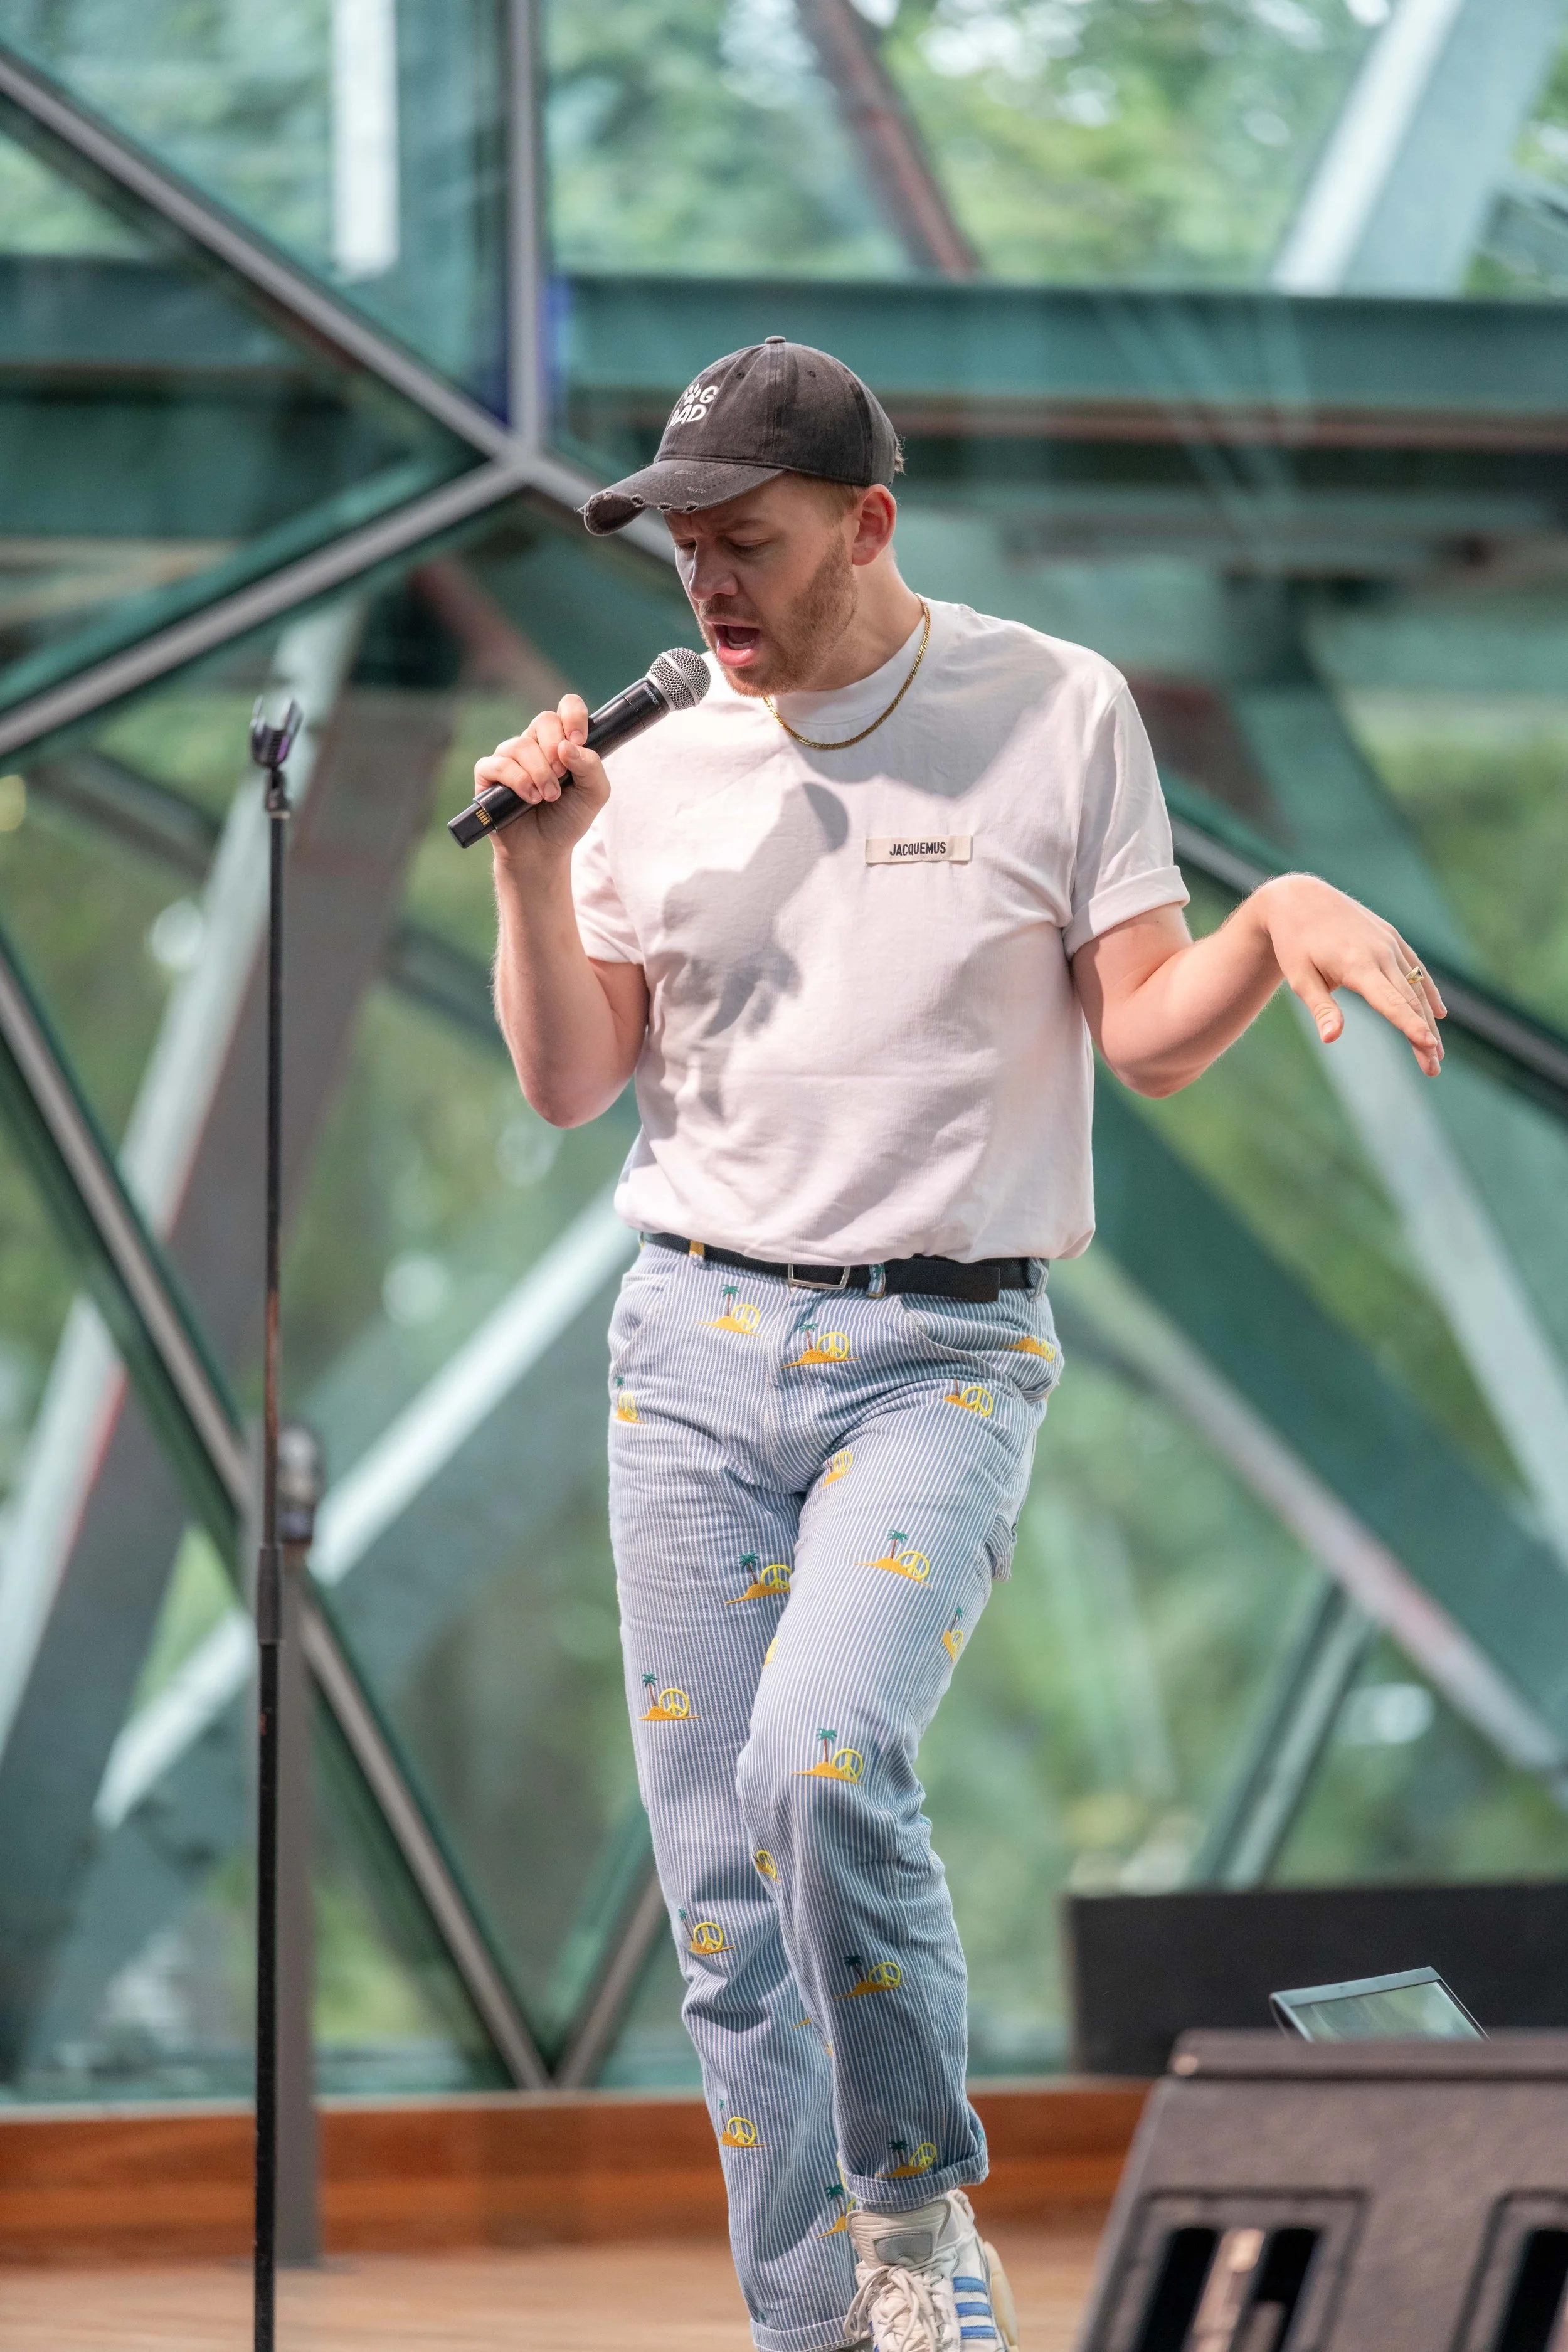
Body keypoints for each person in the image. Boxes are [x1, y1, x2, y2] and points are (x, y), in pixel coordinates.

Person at [475, 339, 1444, 2352]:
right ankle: (813, 2328)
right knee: (727, 1907)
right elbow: (576, 1083)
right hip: (687, 1341)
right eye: (683, 561)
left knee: (821, 1765)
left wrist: (1271, 921)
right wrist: (543, 861)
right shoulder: (655, 760)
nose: (713, 594)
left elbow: (1147, 1037)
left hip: (938, 1351)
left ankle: (918, 2223)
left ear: (868, 519)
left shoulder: (1047, 711)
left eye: (748, 545)